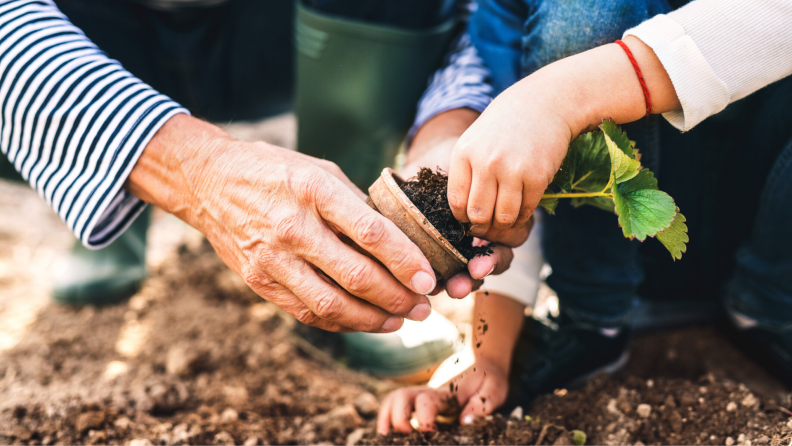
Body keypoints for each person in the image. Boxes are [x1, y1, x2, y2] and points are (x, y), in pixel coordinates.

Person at [377, 0, 792, 433]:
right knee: (583, 12)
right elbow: (514, 158)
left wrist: (563, 97)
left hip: (768, 212)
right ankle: (594, 321)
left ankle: (772, 306)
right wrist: (489, 357)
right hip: (617, 261)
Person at [0, 0, 524, 333]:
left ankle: (345, 243)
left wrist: (449, 123)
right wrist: (194, 169)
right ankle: (113, 198)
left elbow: (488, 10)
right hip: (79, 32)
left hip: (282, 32)